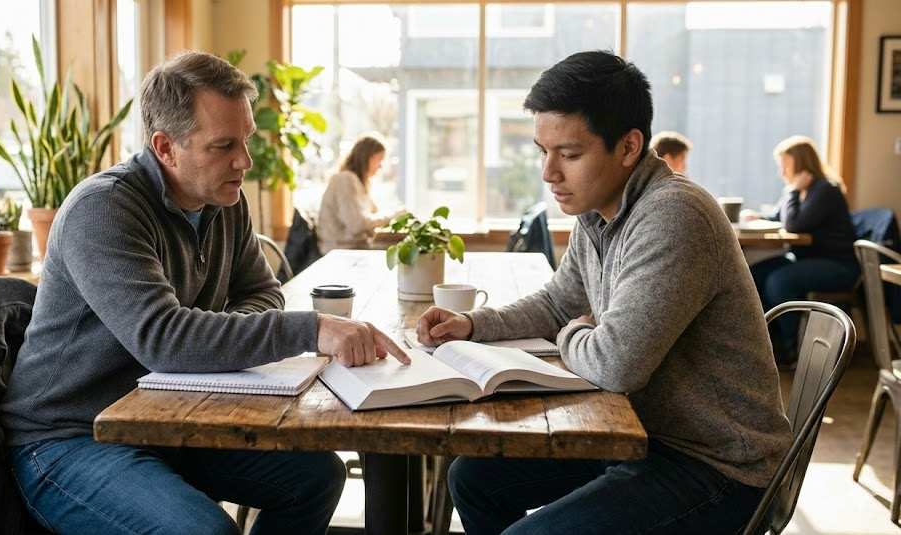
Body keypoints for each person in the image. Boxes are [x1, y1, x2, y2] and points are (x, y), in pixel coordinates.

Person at [0, 51, 409, 535]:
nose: (245, 161)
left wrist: (210, 334)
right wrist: (314, 329)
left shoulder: (224, 199)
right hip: (69, 437)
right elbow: (165, 340)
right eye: (223, 146)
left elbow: (263, 293)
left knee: (316, 478)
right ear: (165, 147)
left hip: (162, 420)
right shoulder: (104, 210)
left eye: (246, 140)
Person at [416, 50, 791, 534]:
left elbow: (616, 364)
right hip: (642, 437)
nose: (549, 173)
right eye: (542, 151)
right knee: (472, 477)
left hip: (718, 466)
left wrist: (574, 334)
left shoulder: (674, 216)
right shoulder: (597, 211)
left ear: (629, 146)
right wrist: (472, 325)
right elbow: (558, 302)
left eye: (569, 154)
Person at [743, 135, 859, 366]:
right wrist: (758, 216)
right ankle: (766, 345)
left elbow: (794, 224)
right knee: (755, 275)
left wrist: (793, 192)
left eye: (785, 165)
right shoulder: (798, 190)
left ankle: (792, 350)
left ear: (801, 163)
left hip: (837, 264)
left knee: (779, 281)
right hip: (806, 258)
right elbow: (780, 217)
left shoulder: (825, 189)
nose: (782, 172)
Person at [316, 133, 407, 254]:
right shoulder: (346, 180)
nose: (380, 166)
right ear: (367, 157)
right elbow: (357, 225)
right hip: (341, 250)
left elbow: (375, 215)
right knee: (402, 252)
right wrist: (394, 215)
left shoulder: (360, 183)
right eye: (379, 159)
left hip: (353, 246)